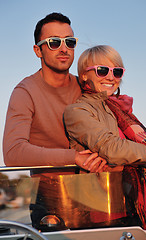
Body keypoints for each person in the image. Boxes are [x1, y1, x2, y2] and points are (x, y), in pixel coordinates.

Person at [3, 13, 106, 230]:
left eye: (69, 42)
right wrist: (73, 157)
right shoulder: (25, 92)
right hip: (50, 202)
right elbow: (12, 152)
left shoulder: (86, 86)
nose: (63, 48)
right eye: (53, 42)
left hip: (99, 194)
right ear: (37, 50)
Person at [64, 45, 146, 230]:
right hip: (105, 211)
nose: (111, 77)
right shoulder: (77, 111)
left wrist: (137, 147)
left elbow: (125, 148)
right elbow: (112, 149)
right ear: (84, 75)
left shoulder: (119, 110)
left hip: (142, 205)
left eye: (116, 71)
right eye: (102, 70)